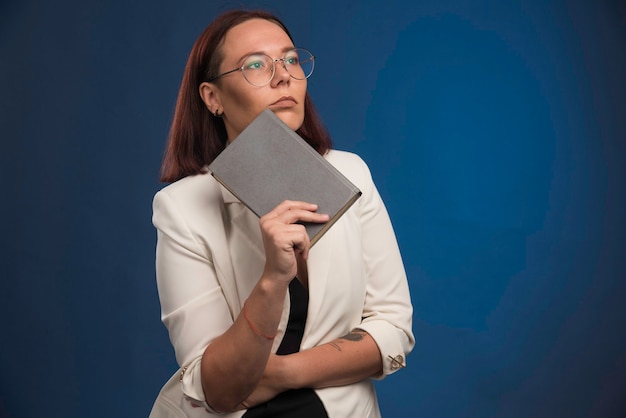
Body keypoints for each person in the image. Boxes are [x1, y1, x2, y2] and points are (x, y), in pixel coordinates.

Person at [149, 9, 414, 418]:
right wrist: (273, 279)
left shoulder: (351, 173)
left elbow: (393, 330)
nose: (283, 76)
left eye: (290, 59)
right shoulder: (182, 208)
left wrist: (281, 374)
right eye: (256, 65)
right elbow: (217, 388)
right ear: (212, 98)